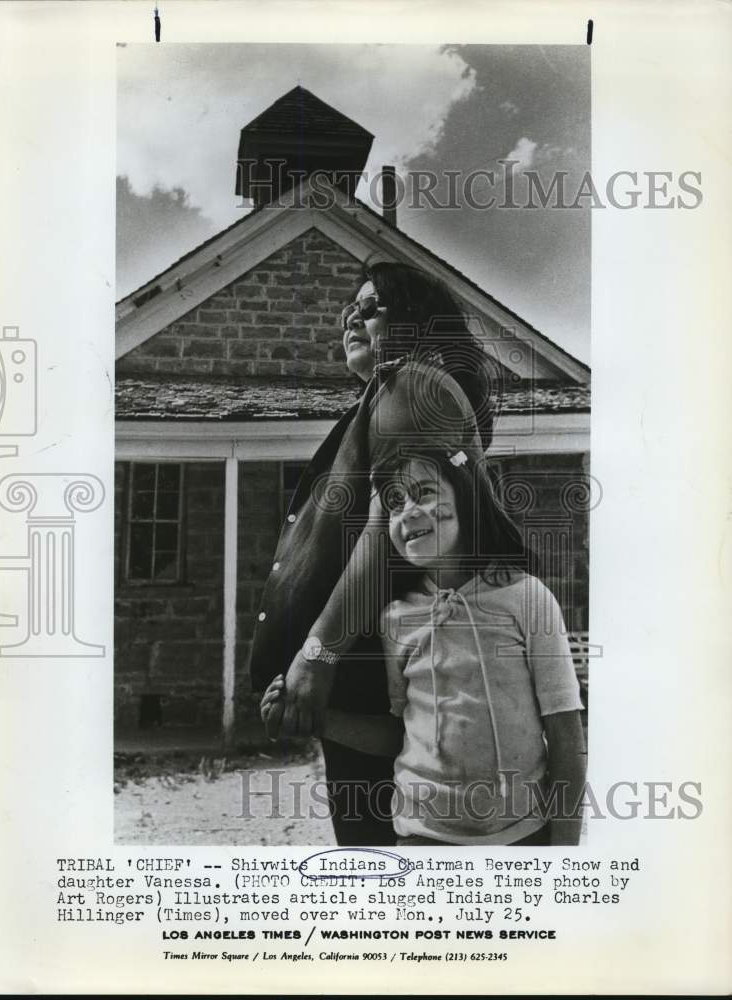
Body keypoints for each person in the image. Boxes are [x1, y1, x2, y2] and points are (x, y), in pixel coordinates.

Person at [249, 261, 507, 845]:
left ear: (419, 322)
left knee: (382, 859)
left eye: (373, 307)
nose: (352, 318)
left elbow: (385, 534)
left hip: (384, 675)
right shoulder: (398, 394)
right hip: (384, 677)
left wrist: (317, 656)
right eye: (350, 308)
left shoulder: (411, 384)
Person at [262, 448, 587, 845]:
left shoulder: (527, 599)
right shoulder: (396, 619)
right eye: (394, 503)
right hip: (422, 841)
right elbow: (401, 734)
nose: (408, 512)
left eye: (424, 493)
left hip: (520, 839)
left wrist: (565, 856)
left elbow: (567, 735)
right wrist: (312, 719)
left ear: (466, 497)